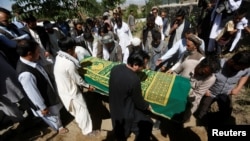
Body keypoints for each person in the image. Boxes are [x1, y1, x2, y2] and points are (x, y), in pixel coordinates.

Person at [16, 39, 68, 134]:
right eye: (37, 52)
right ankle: (59, 127)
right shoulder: (26, 74)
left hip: (46, 90)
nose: (39, 53)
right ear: (29, 54)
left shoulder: (30, 61)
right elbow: (32, 93)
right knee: (52, 115)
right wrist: (42, 107)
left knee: (55, 112)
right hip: (44, 101)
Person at [54, 37, 98, 136]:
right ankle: (88, 131)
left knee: (77, 111)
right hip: (71, 92)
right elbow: (78, 80)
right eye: (74, 48)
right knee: (82, 110)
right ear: (69, 49)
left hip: (64, 90)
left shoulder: (59, 57)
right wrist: (88, 86)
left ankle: (83, 126)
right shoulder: (69, 64)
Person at [195, 50, 250, 124]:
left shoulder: (245, 67)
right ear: (232, 62)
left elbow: (245, 75)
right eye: (241, 68)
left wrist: (238, 88)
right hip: (211, 92)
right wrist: (205, 89)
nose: (243, 70)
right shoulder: (218, 64)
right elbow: (203, 75)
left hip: (226, 93)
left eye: (244, 68)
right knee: (201, 113)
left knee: (226, 114)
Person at [109, 49, 153, 141]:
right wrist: (147, 106)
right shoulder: (134, 80)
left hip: (114, 107)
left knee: (120, 133)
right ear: (136, 65)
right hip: (126, 112)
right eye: (143, 65)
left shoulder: (115, 68)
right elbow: (138, 102)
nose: (145, 67)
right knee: (147, 124)